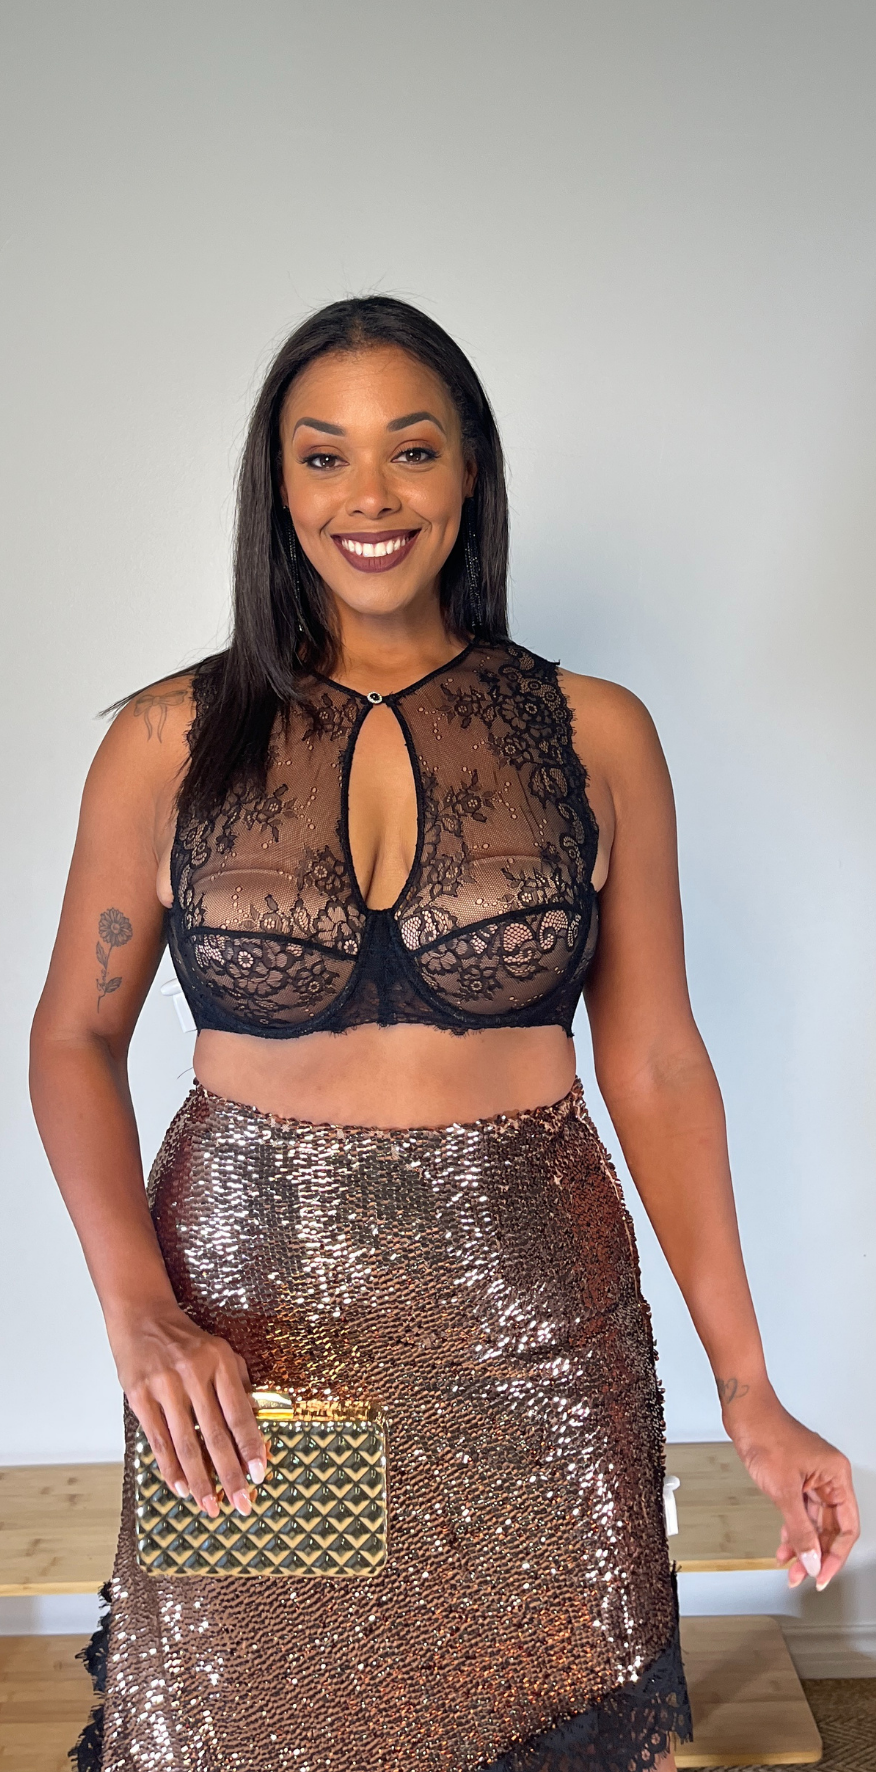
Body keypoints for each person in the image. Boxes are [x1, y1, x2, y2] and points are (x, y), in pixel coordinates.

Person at [30, 296, 858, 1772]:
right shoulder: (165, 741)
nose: (371, 496)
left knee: (544, 1719)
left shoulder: (597, 734)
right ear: (278, 485)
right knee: (256, 1726)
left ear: (469, 470)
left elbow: (657, 1062)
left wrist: (753, 1393)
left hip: (534, 1325)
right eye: (325, 455)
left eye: (411, 450)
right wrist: (138, 1307)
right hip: (256, 1332)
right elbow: (69, 1043)